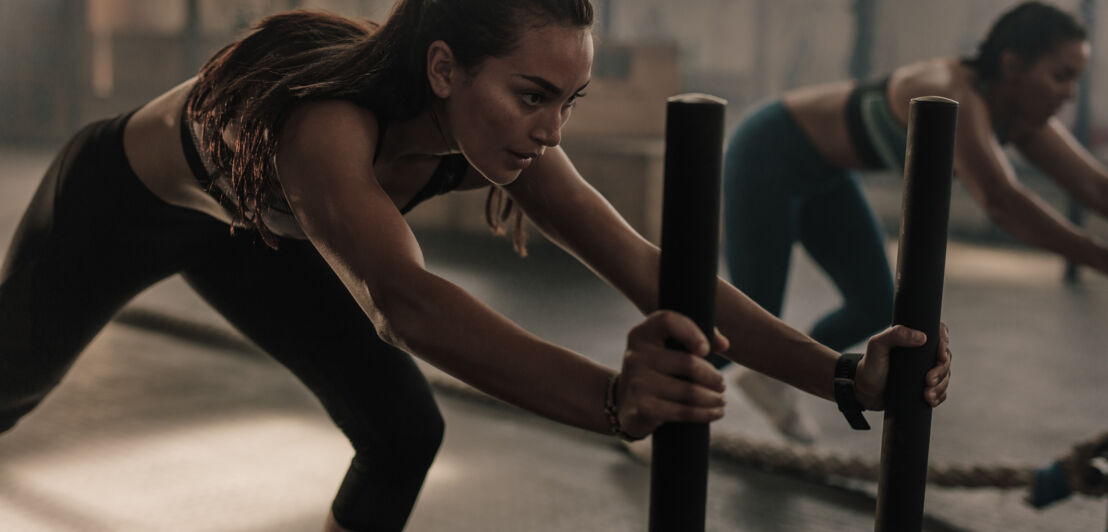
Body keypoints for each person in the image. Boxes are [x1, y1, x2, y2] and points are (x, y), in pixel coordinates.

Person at [0, 1, 952, 530]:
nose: (551, 129)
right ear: (446, 69)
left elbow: (650, 266)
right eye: (534, 94)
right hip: (121, 205)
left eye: (570, 101)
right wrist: (614, 404)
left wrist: (838, 375)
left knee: (403, 430)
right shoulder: (328, 126)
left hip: (266, 235)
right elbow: (404, 300)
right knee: (11, 385)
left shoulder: (508, 136)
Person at [719, 0, 1090, 444]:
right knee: (753, 318)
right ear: (1012, 64)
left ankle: (776, 372)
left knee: (875, 304)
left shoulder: (1020, 117)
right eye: (1060, 75)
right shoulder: (950, 89)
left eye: (1075, 79)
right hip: (766, 154)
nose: (1069, 93)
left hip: (827, 177)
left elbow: (1099, 189)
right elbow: (1002, 200)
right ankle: (657, 415)